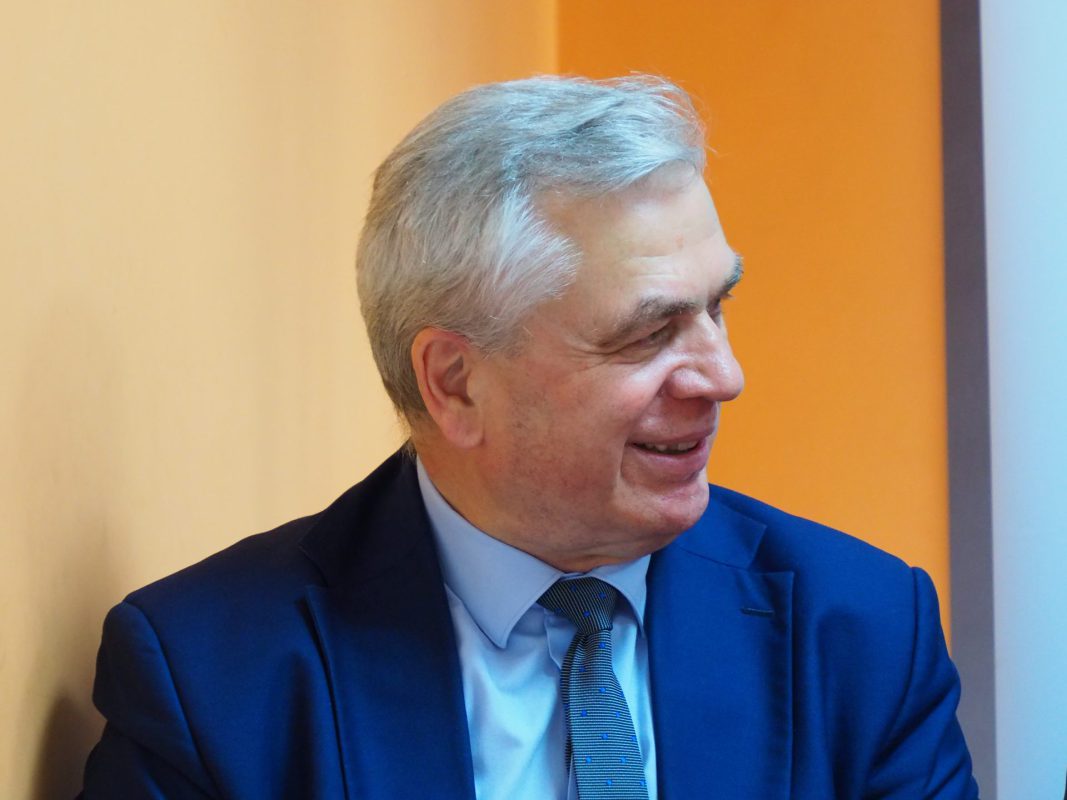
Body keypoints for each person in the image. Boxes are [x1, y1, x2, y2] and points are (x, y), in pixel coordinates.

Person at [80, 75, 978, 798]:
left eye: (717, 308)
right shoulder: (212, 678)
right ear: (454, 383)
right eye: (649, 333)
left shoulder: (859, 633)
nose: (722, 376)